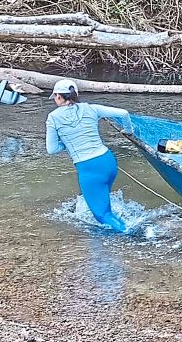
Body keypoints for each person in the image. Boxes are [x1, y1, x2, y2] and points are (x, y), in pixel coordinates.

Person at [45, 79, 134, 233]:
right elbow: (123, 113)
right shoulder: (92, 109)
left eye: (54, 96)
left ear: (59, 96)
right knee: (102, 199)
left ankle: (138, 236)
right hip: (108, 161)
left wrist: (67, 144)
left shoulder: (53, 118)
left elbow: (52, 149)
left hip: (89, 168)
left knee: (102, 215)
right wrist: (128, 131)